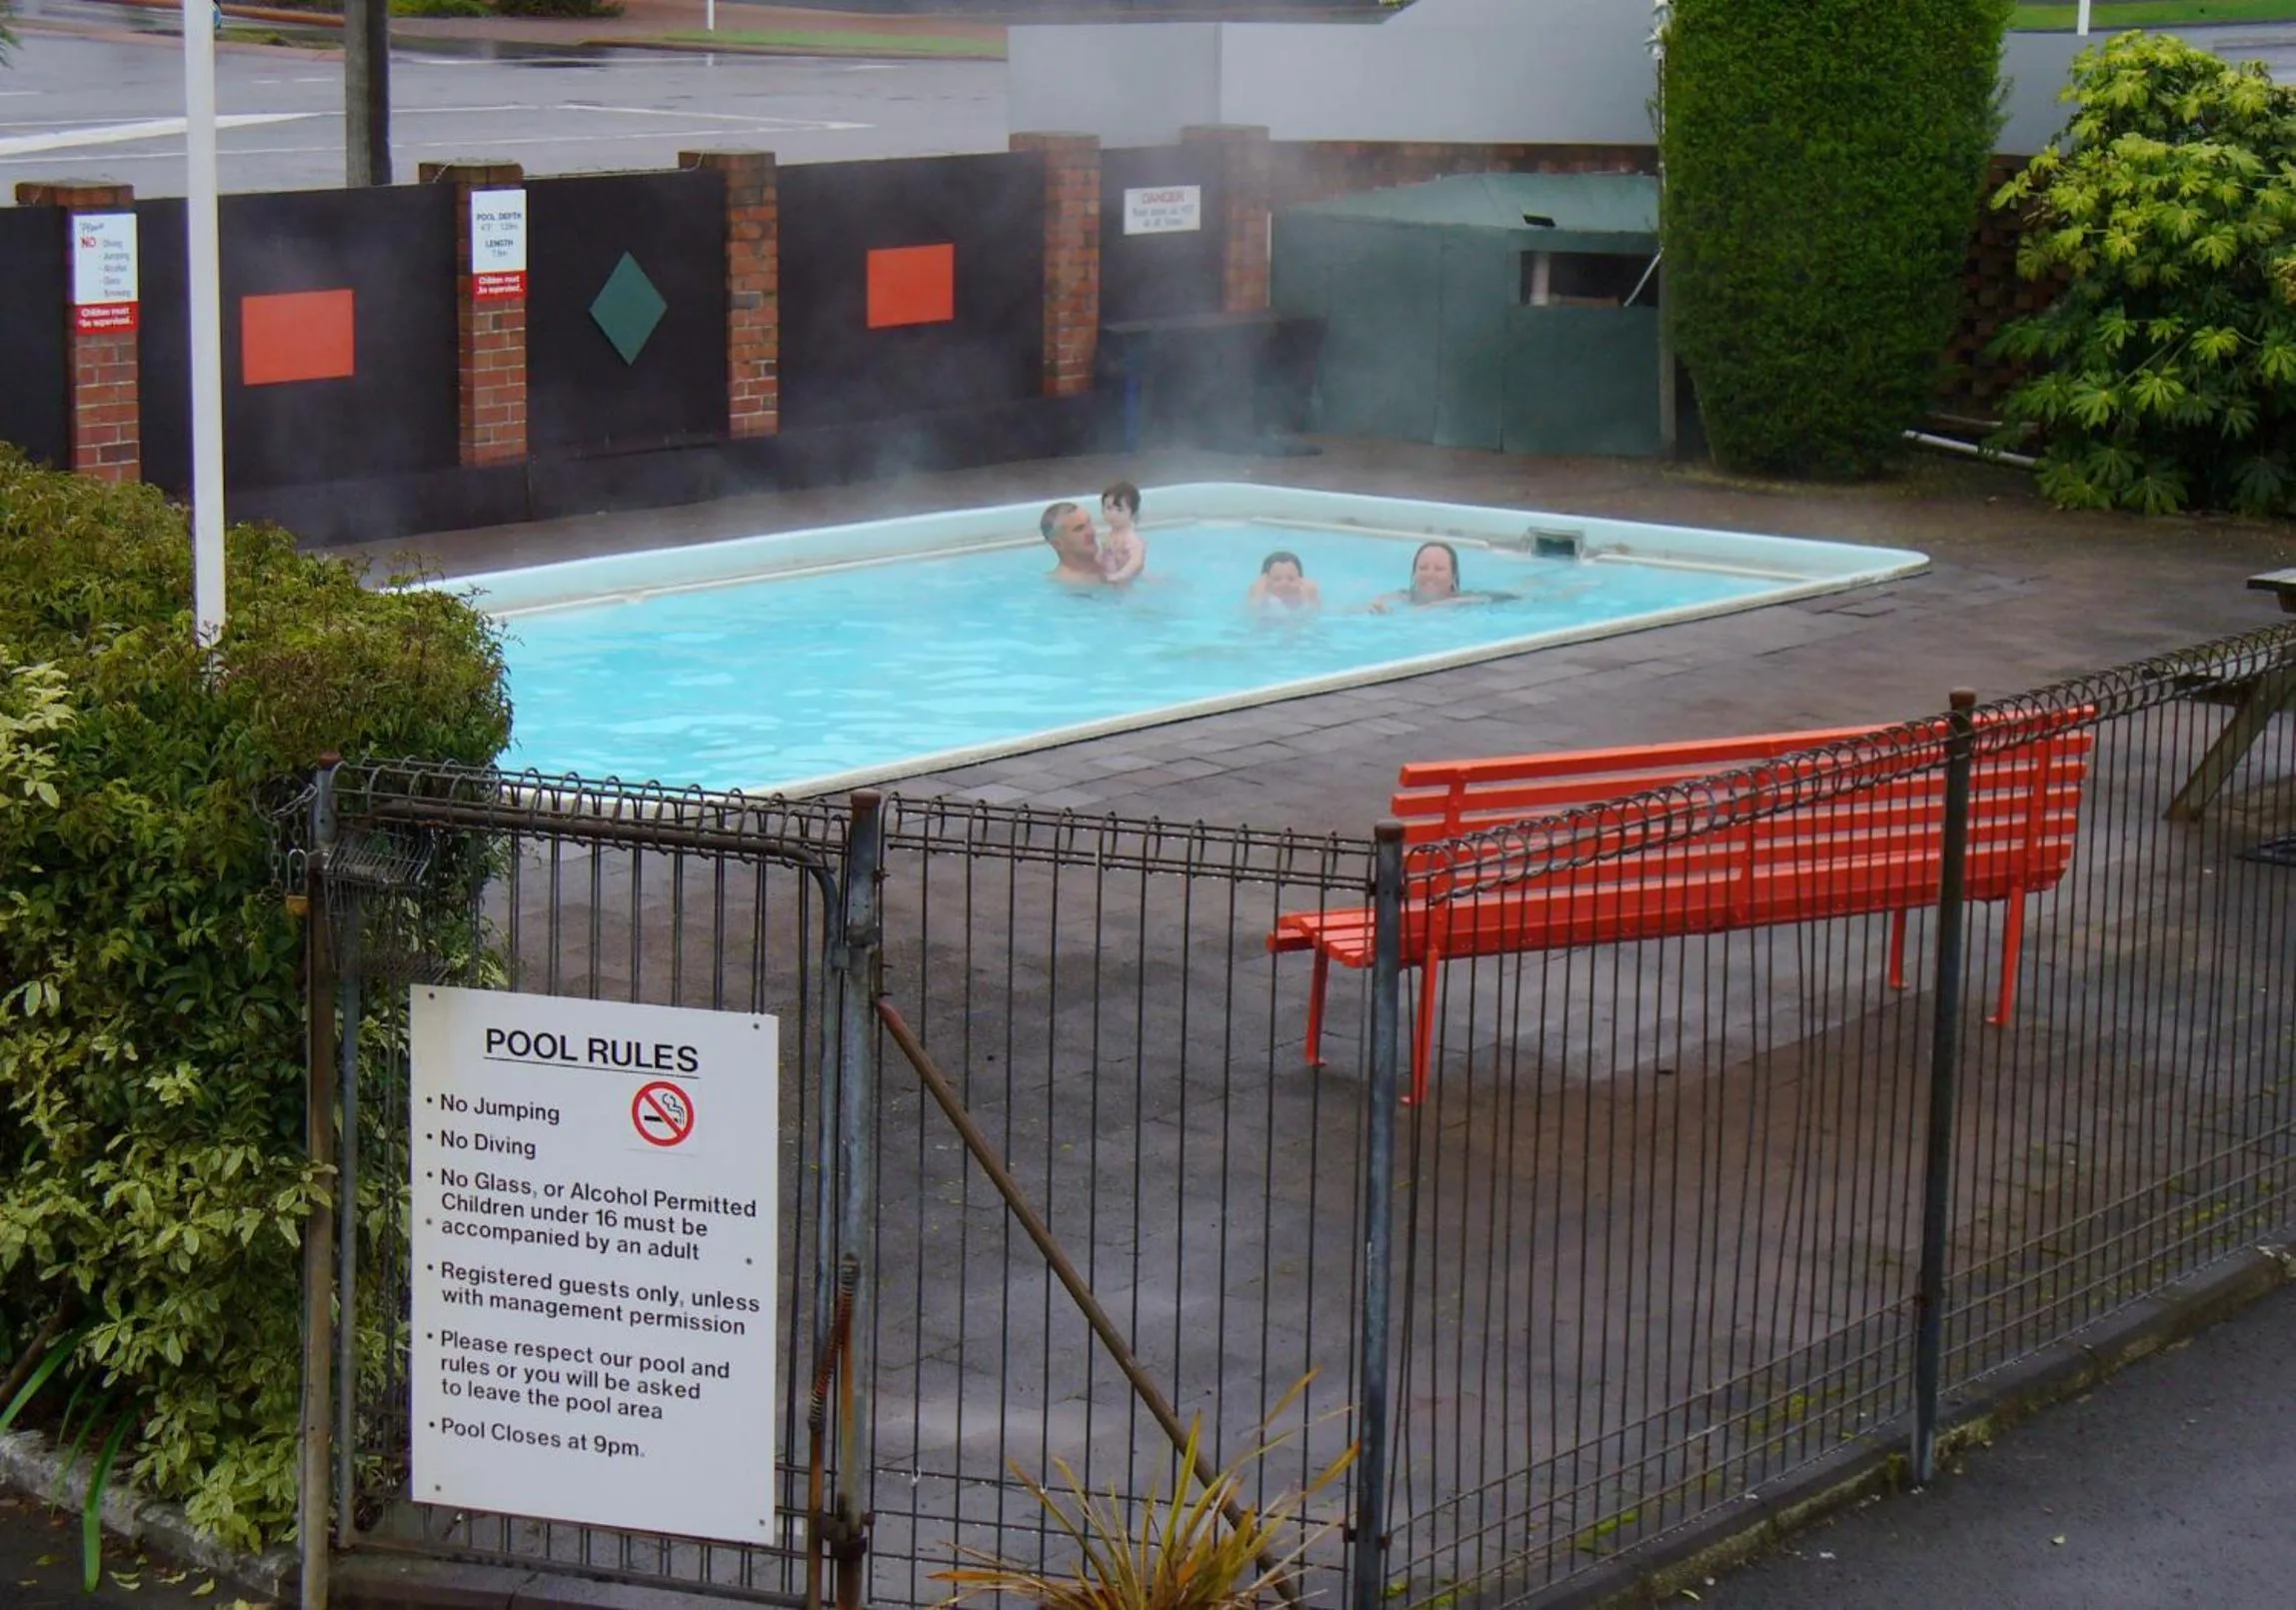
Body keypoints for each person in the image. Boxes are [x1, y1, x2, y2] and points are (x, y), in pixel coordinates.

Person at [1369, 540, 1514, 611]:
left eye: (1438, 569)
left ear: (1453, 576)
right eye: (1423, 568)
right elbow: (1375, 604)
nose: (1429, 574)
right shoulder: (1405, 596)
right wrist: (1377, 607)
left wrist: (1435, 605)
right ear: (1414, 573)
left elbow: (1482, 598)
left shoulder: (1464, 599)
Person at [1040, 501, 1107, 586]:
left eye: (1089, 523)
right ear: (1058, 544)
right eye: (1079, 529)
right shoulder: (1070, 585)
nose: (1092, 532)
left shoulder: (1108, 559)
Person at [1098, 481, 1147, 585]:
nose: (1112, 514)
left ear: (1132, 513)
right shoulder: (1107, 537)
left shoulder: (1131, 539)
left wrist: (1118, 576)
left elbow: (1136, 562)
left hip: (1129, 582)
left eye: (1119, 510)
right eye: (1108, 508)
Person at [1246, 550, 1322, 612]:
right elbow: (1252, 615)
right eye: (1277, 579)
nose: (1284, 583)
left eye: (1291, 579)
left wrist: (1311, 598)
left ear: (1301, 580)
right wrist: (1256, 595)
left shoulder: (1305, 597)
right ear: (1265, 580)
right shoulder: (1262, 597)